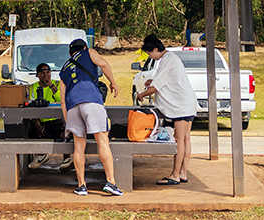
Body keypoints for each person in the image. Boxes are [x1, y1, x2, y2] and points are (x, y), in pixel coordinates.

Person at [59, 38, 123, 196]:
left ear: (70, 52)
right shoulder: (89, 52)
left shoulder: (64, 68)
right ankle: (110, 182)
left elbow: (62, 100)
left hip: (73, 106)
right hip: (92, 102)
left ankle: (81, 185)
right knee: (103, 141)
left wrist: (68, 121)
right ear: (85, 47)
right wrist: (113, 82)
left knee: (78, 147)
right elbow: (103, 64)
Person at [135, 33, 198, 185]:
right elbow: (164, 79)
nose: (150, 56)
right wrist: (152, 80)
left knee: (179, 139)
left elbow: (156, 87)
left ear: (156, 49)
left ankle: (175, 175)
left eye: (150, 52)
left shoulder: (167, 60)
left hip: (181, 106)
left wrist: (141, 95)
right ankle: (182, 173)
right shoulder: (170, 58)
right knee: (185, 139)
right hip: (186, 103)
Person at [28, 62, 73, 171]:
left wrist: (51, 86)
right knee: (30, 128)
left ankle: (67, 159)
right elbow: (29, 106)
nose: (45, 75)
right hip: (40, 121)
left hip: (56, 120)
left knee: (65, 131)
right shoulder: (32, 88)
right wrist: (37, 123)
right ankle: (41, 155)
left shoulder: (57, 85)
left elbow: (62, 100)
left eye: (48, 72)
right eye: (42, 73)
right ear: (37, 75)